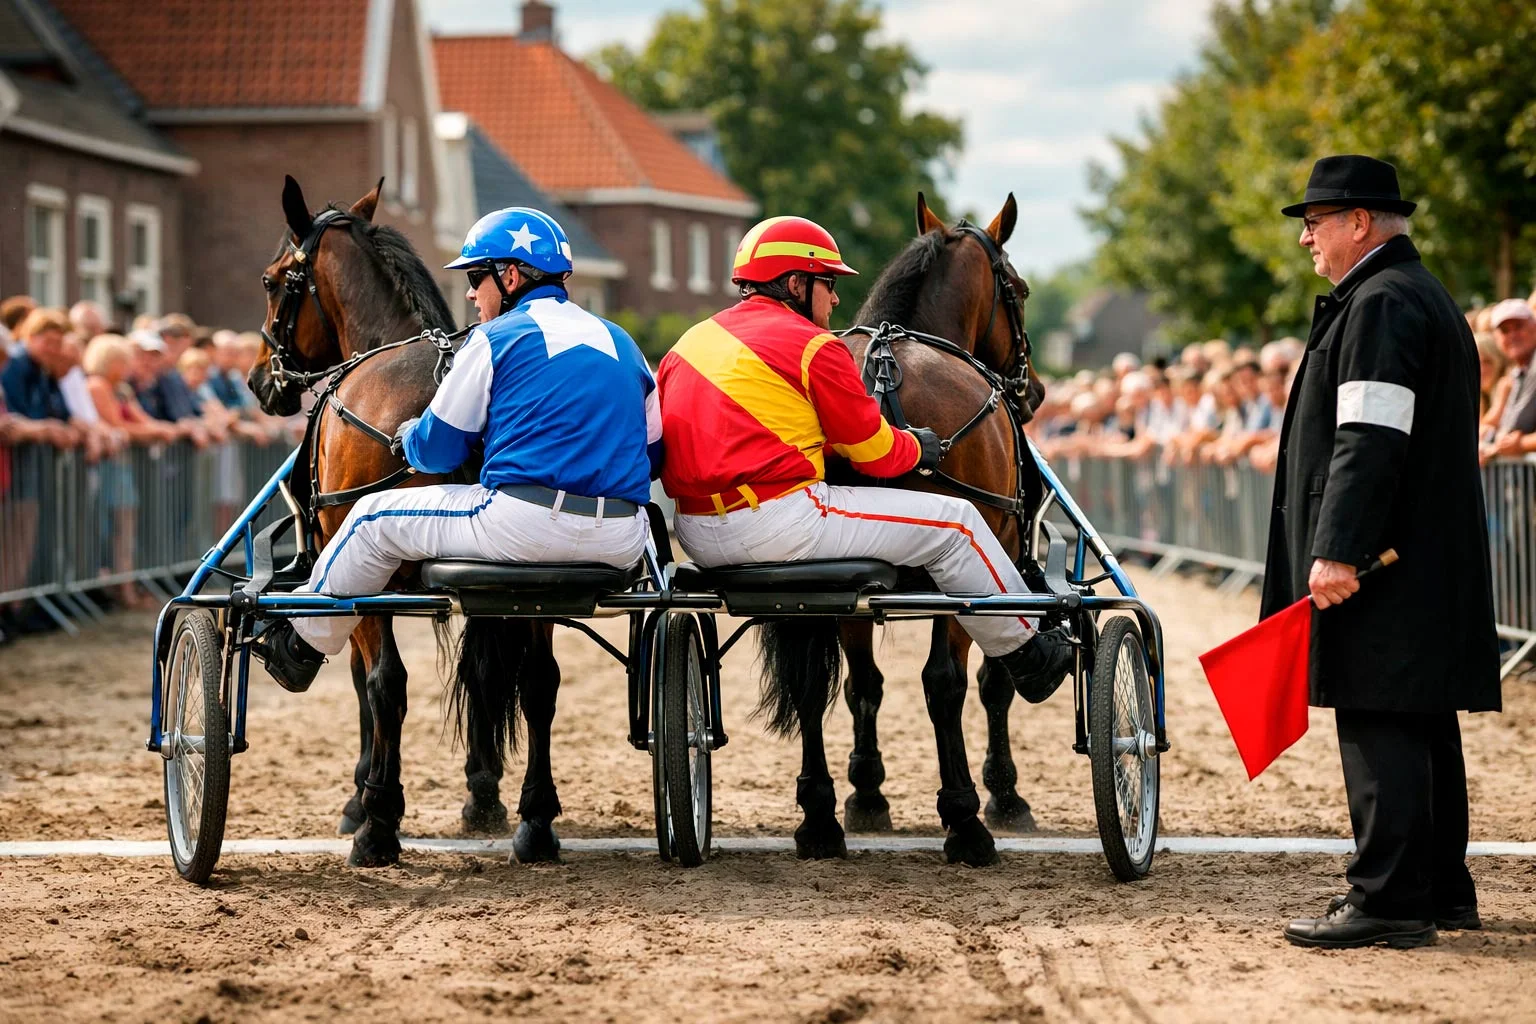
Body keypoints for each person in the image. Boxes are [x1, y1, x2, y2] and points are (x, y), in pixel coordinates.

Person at [656, 215, 1074, 701]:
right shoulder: (814, 346)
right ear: (795, 284)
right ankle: (1028, 652)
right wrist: (918, 446)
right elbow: (874, 452)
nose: (835, 300)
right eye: (828, 283)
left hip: (697, 536)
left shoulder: (687, 345)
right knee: (958, 523)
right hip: (781, 525)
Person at [252, 207, 660, 692]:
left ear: (510, 277)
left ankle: (299, 645)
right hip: (620, 540)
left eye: (475, 277)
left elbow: (439, 450)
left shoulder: (493, 338)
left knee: (368, 518)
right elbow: (654, 455)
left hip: (521, 528)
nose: (470, 294)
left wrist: (409, 435)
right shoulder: (623, 342)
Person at [1265, 155, 1499, 949]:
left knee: (1379, 716)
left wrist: (1338, 547)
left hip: (1384, 560)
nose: (1307, 239)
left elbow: (1368, 435)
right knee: (1422, 718)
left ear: (1358, 222)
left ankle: (1390, 900)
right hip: (1418, 553)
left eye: (1314, 223)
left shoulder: (1382, 301)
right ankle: (1441, 889)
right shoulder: (1412, 293)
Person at [1480, 299, 1536, 461]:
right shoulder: (1516, 375)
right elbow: (1508, 426)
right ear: (1496, 338)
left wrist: (1522, 444)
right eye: (1505, 331)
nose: (1512, 335)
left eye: (1519, 326)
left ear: (1534, 326)